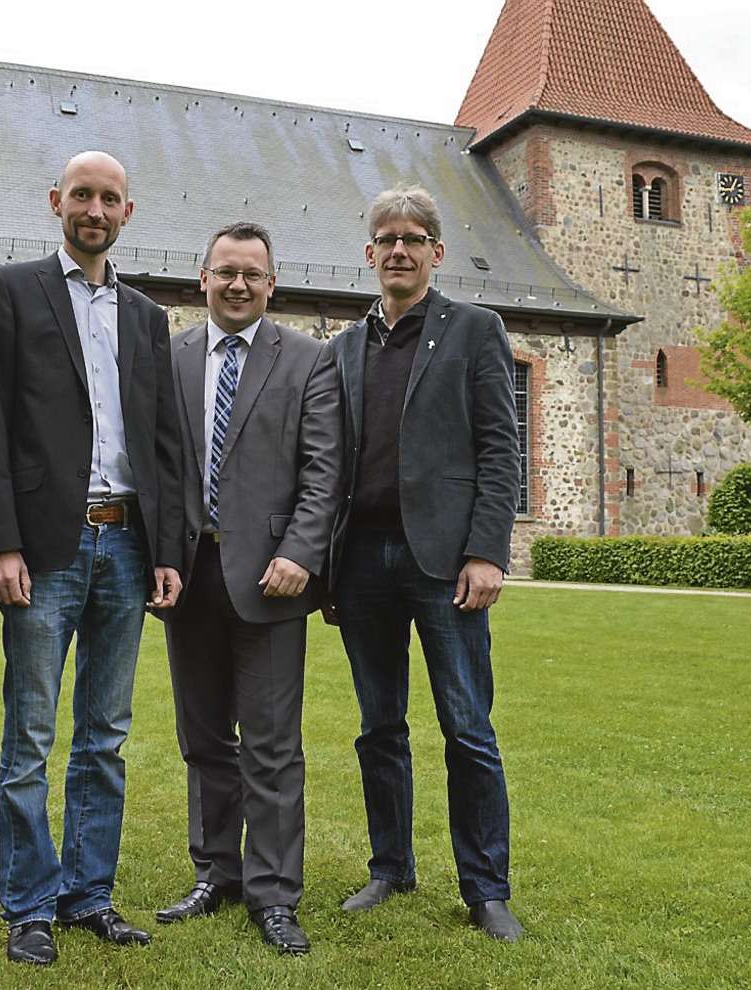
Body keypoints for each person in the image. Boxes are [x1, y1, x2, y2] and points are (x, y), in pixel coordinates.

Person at [0, 151, 184, 965]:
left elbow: (162, 443)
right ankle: (28, 905)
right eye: (82, 194)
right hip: (45, 549)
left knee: (104, 735)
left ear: (128, 212)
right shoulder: (11, 290)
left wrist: (166, 549)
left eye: (110, 198)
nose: (95, 208)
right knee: (29, 734)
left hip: (125, 542)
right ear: (57, 201)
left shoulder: (144, 314)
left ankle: (89, 894)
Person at [324, 186, 524, 941]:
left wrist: (485, 552)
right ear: (368, 252)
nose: (398, 250)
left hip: (443, 561)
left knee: (467, 726)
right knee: (379, 727)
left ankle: (485, 887)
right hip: (362, 562)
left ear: (436, 252)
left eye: (413, 237)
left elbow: (499, 449)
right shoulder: (344, 347)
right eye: (385, 238)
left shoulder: (475, 330)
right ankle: (390, 867)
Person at [155, 222, 341, 955]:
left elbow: (324, 469)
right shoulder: (167, 359)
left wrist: (301, 551)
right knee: (202, 740)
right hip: (187, 577)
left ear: (271, 285)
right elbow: (160, 467)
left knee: (270, 747)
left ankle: (272, 895)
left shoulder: (306, 360)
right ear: (200, 278)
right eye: (224, 272)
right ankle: (214, 873)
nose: (237, 285)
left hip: (271, 579)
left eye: (251, 275)